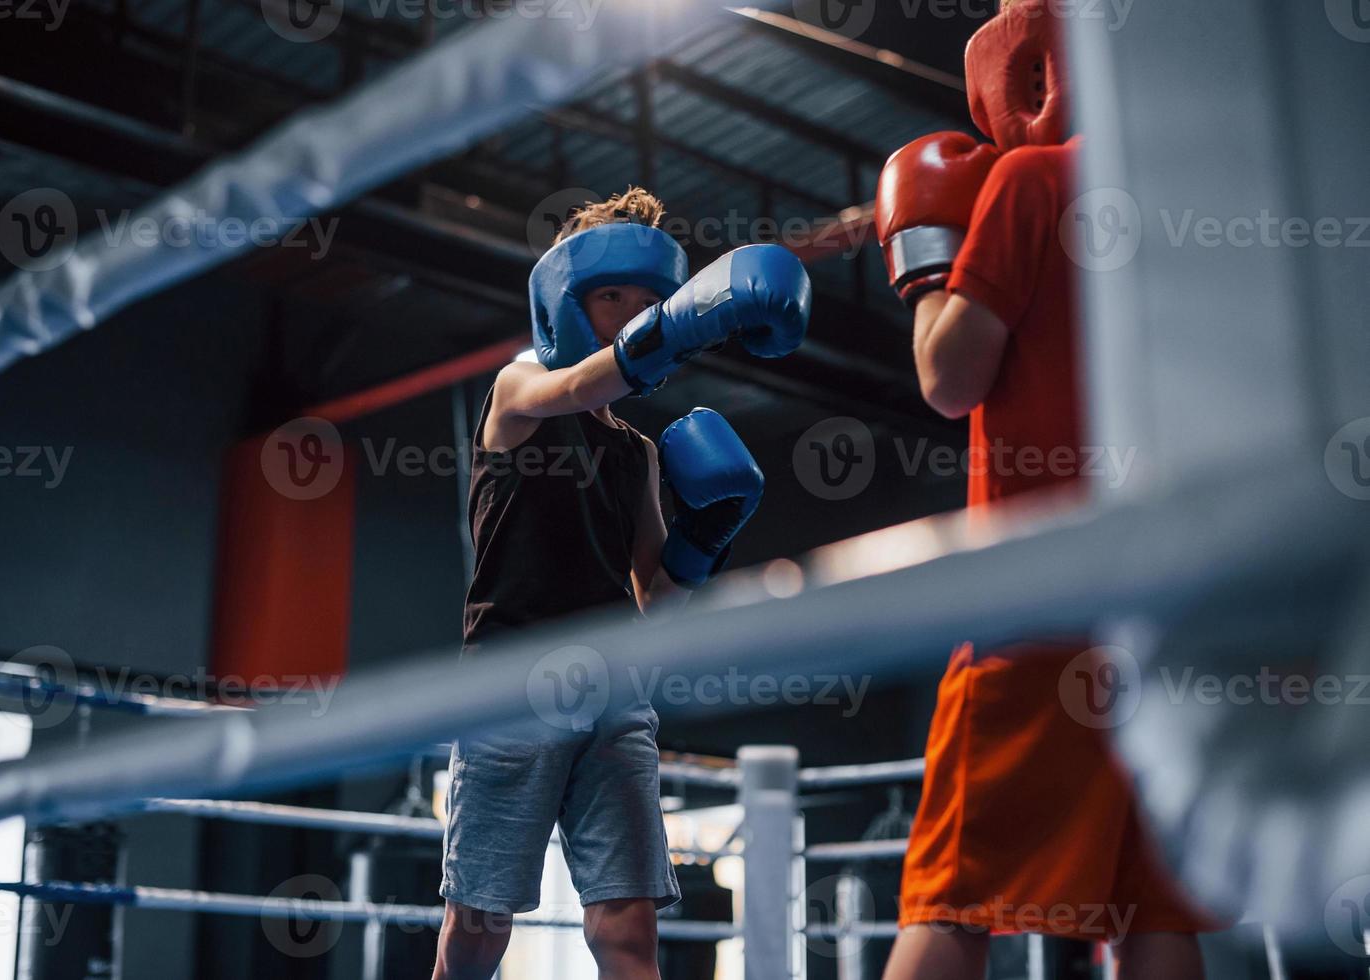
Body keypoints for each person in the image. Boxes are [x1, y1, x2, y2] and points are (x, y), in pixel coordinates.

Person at [873, 3, 1218, 977]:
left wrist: (926, 268)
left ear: (1030, 73)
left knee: (949, 896)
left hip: (1037, 598)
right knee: (1155, 909)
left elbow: (949, 378)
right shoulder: (1188, 201)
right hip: (1170, 597)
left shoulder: (1030, 180)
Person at [434, 188, 811, 980]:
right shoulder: (520, 392)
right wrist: (675, 329)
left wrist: (706, 541)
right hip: (512, 681)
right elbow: (576, 386)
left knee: (627, 928)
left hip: (614, 693)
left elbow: (651, 595)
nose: (633, 316)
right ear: (567, 303)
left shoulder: (638, 453)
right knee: (478, 929)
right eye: (614, 299)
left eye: (650, 303)